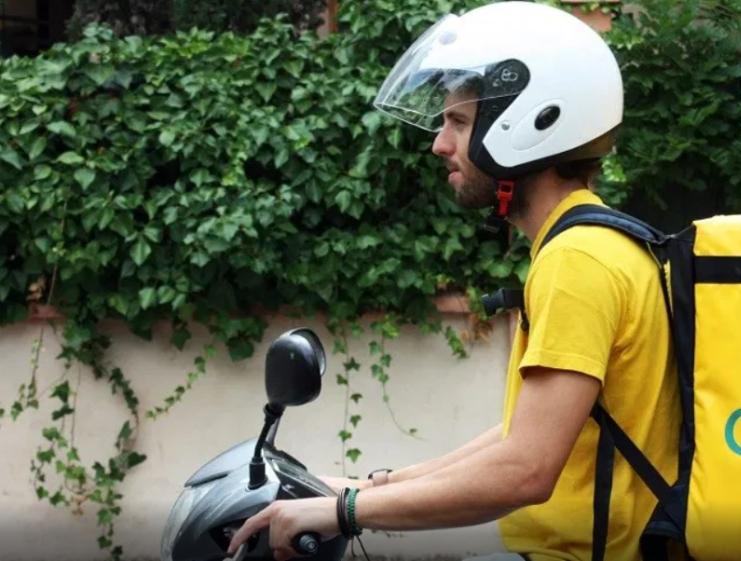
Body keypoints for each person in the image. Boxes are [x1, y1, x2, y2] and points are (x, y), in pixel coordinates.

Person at [227, 3, 678, 560]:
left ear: (532, 125)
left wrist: (346, 512)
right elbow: (520, 436)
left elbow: (526, 470)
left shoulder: (578, 261)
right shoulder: (602, 244)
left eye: (459, 124)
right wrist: (374, 486)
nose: (440, 144)